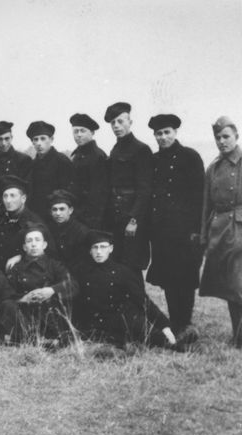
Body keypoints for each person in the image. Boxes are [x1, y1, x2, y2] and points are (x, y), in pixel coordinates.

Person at [146, 114, 204, 339]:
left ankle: (185, 322)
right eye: (158, 134)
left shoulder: (190, 157)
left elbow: (199, 196)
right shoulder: (153, 160)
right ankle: (176, 320)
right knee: (169, 278)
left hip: (186, 232)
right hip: (161, 233)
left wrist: (197, 230)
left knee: (185, 277)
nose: (163, 137)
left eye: (166, 132)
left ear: (175, 132)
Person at [73, 230, 177, 348]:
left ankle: (175, 343)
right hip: (94, 323)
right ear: (90, 251)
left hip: (120, 320)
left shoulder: (122, 272)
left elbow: (143, 300)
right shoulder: (80, 272)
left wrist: (164, 326)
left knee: (154, 337)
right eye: (95, 247)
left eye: (103, 247)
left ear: (111, 249)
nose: (99, 252)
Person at [0, 226, 78, 347]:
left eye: (37, 240)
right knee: (7, 305)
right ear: (24, 247)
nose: (33, 244)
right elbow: (5, 291)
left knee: (54, 306)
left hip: (46, 311)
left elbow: (72, 284)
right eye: (29, 241)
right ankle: (33, 339)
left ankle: (27, 339)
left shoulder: (54, 265)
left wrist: (51, 290)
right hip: (24, 313)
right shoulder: (17, 267)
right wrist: (23, 298)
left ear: (44, 244)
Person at [200, 116, 242, 348]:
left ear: (236, 135)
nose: (221, 141)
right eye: (218, 137)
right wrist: (204, 234)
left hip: (240, 229)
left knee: (238, 284)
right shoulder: (214, 167)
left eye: (226, 136)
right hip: (220, 230)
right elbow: (206, 205)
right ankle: (238, 335)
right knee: (229, 286)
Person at [103, 102, 152, 282]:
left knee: (132, 266)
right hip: (115, 217)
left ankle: (139, 309)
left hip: (131, 219)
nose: (116, 126)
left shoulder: (141, 149)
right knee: (117, 263)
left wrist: (134, 220)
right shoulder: (115, 150)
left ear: (130, 122)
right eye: (113, 123)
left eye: (120, 121)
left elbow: (144, 190)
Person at [0, 175, 48, 271]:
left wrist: (22, 256)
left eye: (13, 196)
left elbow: (48, 251)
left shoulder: (34, 221)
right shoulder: (0, 218)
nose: (8, 200)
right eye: (5, 196)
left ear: (23, 199)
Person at [26, 120, 75, 222]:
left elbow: (67, 194)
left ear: (51, 139)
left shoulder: (62, 161)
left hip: (56, 216)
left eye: (43, 138)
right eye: (36, 139)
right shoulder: (32, 164)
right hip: (36, 216)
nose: (39, 143)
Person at [69, 113, 108, 229]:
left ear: (92, 133)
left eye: (83, 131)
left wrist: (91, 220)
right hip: (76, 215)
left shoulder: (98, 156)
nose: (79, 135)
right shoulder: (76, 155)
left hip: (90, 218)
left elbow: (99, 193)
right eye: (76, 131)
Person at [46, 189, 90, 273]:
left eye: (62, 209)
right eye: (54, 209)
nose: (58, 213)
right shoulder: (48, 229)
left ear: (70, 210)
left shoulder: (81, 232)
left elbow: (82, 262)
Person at [0, 120, 33, 185]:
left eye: (7, 139)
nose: (3, 143)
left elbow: (28, 187)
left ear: (11, 138)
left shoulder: (24, 160)